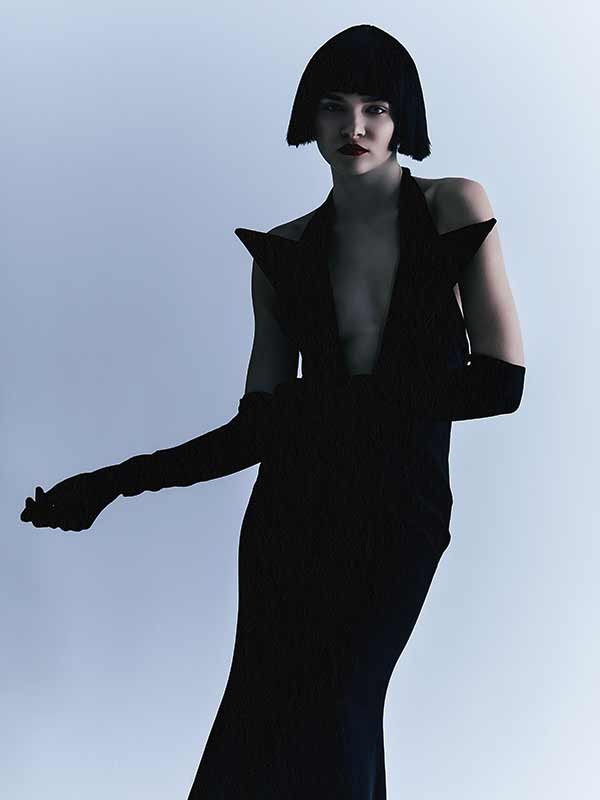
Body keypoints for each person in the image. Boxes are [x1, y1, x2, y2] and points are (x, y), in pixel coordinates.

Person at [20, 24, 526, 799]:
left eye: (376, 108)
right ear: (308, 117)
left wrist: (330, 408)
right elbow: (258, 428)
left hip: (402, 509)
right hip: (292, 511)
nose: (354, 126)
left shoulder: (454, 204)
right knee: (257, 717)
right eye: (333, 106)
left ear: (404, 119)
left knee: (344, 704)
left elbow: (501, 384)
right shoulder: (285, 252)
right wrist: (114, 482)